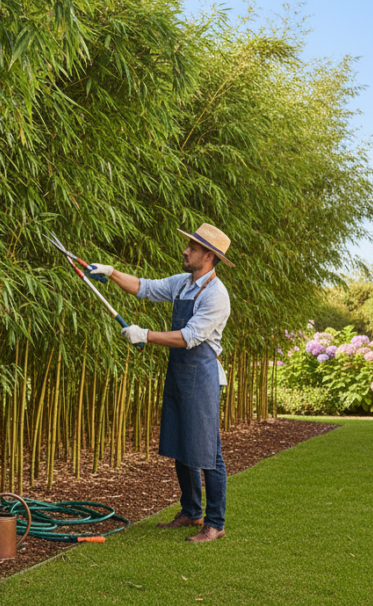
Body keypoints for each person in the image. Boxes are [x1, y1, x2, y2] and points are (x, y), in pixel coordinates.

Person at [87, 223, 233, 543]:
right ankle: (192, 511)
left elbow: (190, 337)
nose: (185, 250)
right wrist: (111, 272)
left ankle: (215, 522)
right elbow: (145, 287)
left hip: (203, 375)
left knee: (208, 452)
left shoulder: (216, 295)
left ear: (208, 256)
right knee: (182, 443)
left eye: (192, 248)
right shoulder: (183, 283)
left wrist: (145, 336)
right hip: (180, 373)